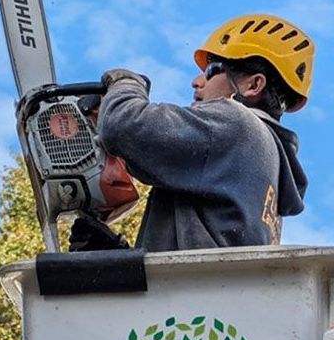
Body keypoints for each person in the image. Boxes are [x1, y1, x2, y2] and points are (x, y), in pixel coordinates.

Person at [90, 13, 315, 252]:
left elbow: (121, 125)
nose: (197, 81)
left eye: (212, 70)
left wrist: (126, 84)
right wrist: (115, 255)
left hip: (185, 291)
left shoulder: (237, 126)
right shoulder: (268, 166)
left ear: (253, 86)